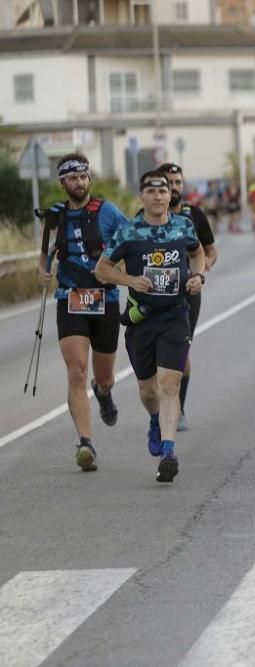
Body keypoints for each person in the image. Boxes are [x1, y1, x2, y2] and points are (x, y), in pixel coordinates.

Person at [95, 171, 206, 483]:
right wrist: (130, 280)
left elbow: (197, 254)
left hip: (175, 314)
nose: (158, 196)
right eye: (151, 191)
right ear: (141, 197)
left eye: (163, 190)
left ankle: (169, 452)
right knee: (147, 389)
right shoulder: (130, 232)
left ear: (170, 195)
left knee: (169, 383)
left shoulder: (184, 226)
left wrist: (198, 277)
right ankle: (156, 420)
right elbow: (101, 269)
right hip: (142, 319)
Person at [37, 152, 130, 472]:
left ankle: (103, 393)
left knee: (104, 376)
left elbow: (131, 244)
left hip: (106, 298)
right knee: (76, 370)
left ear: (89, 179)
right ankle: (86, 443)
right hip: (70, 298)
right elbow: (46, 251)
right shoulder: (55, 215)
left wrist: (129, 278)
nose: (79, 182)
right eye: (72, 178)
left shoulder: (109, 212)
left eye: (83, 176)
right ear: (62, 182)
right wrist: (43, 271)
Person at [157, 163, 219, 431]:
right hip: (155, 293)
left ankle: (178, 408)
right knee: (155, 352)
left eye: (178, 182)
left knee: (181, 348)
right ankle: (160, 405)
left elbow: (210, 251)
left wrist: (201, 272)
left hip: (187, 291)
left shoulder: (194, 215)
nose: (174, 187)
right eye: (168, 182)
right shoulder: (144, 217)